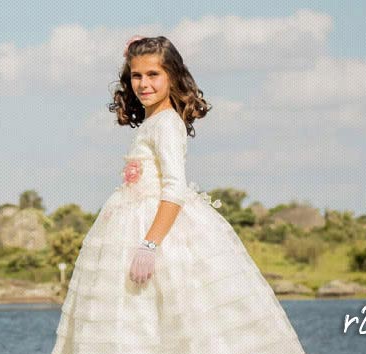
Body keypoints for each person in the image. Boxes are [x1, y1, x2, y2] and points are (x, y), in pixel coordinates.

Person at [50, 36, 307, 354]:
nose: (143, 84)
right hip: (133, 224)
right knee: (138, 319)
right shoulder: (151, 122)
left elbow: (174, 188)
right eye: (136, 76)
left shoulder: (167, 124)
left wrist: (149, 245)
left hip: (158, 230)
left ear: (172, 76)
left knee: (178, 318)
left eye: (153, 75)